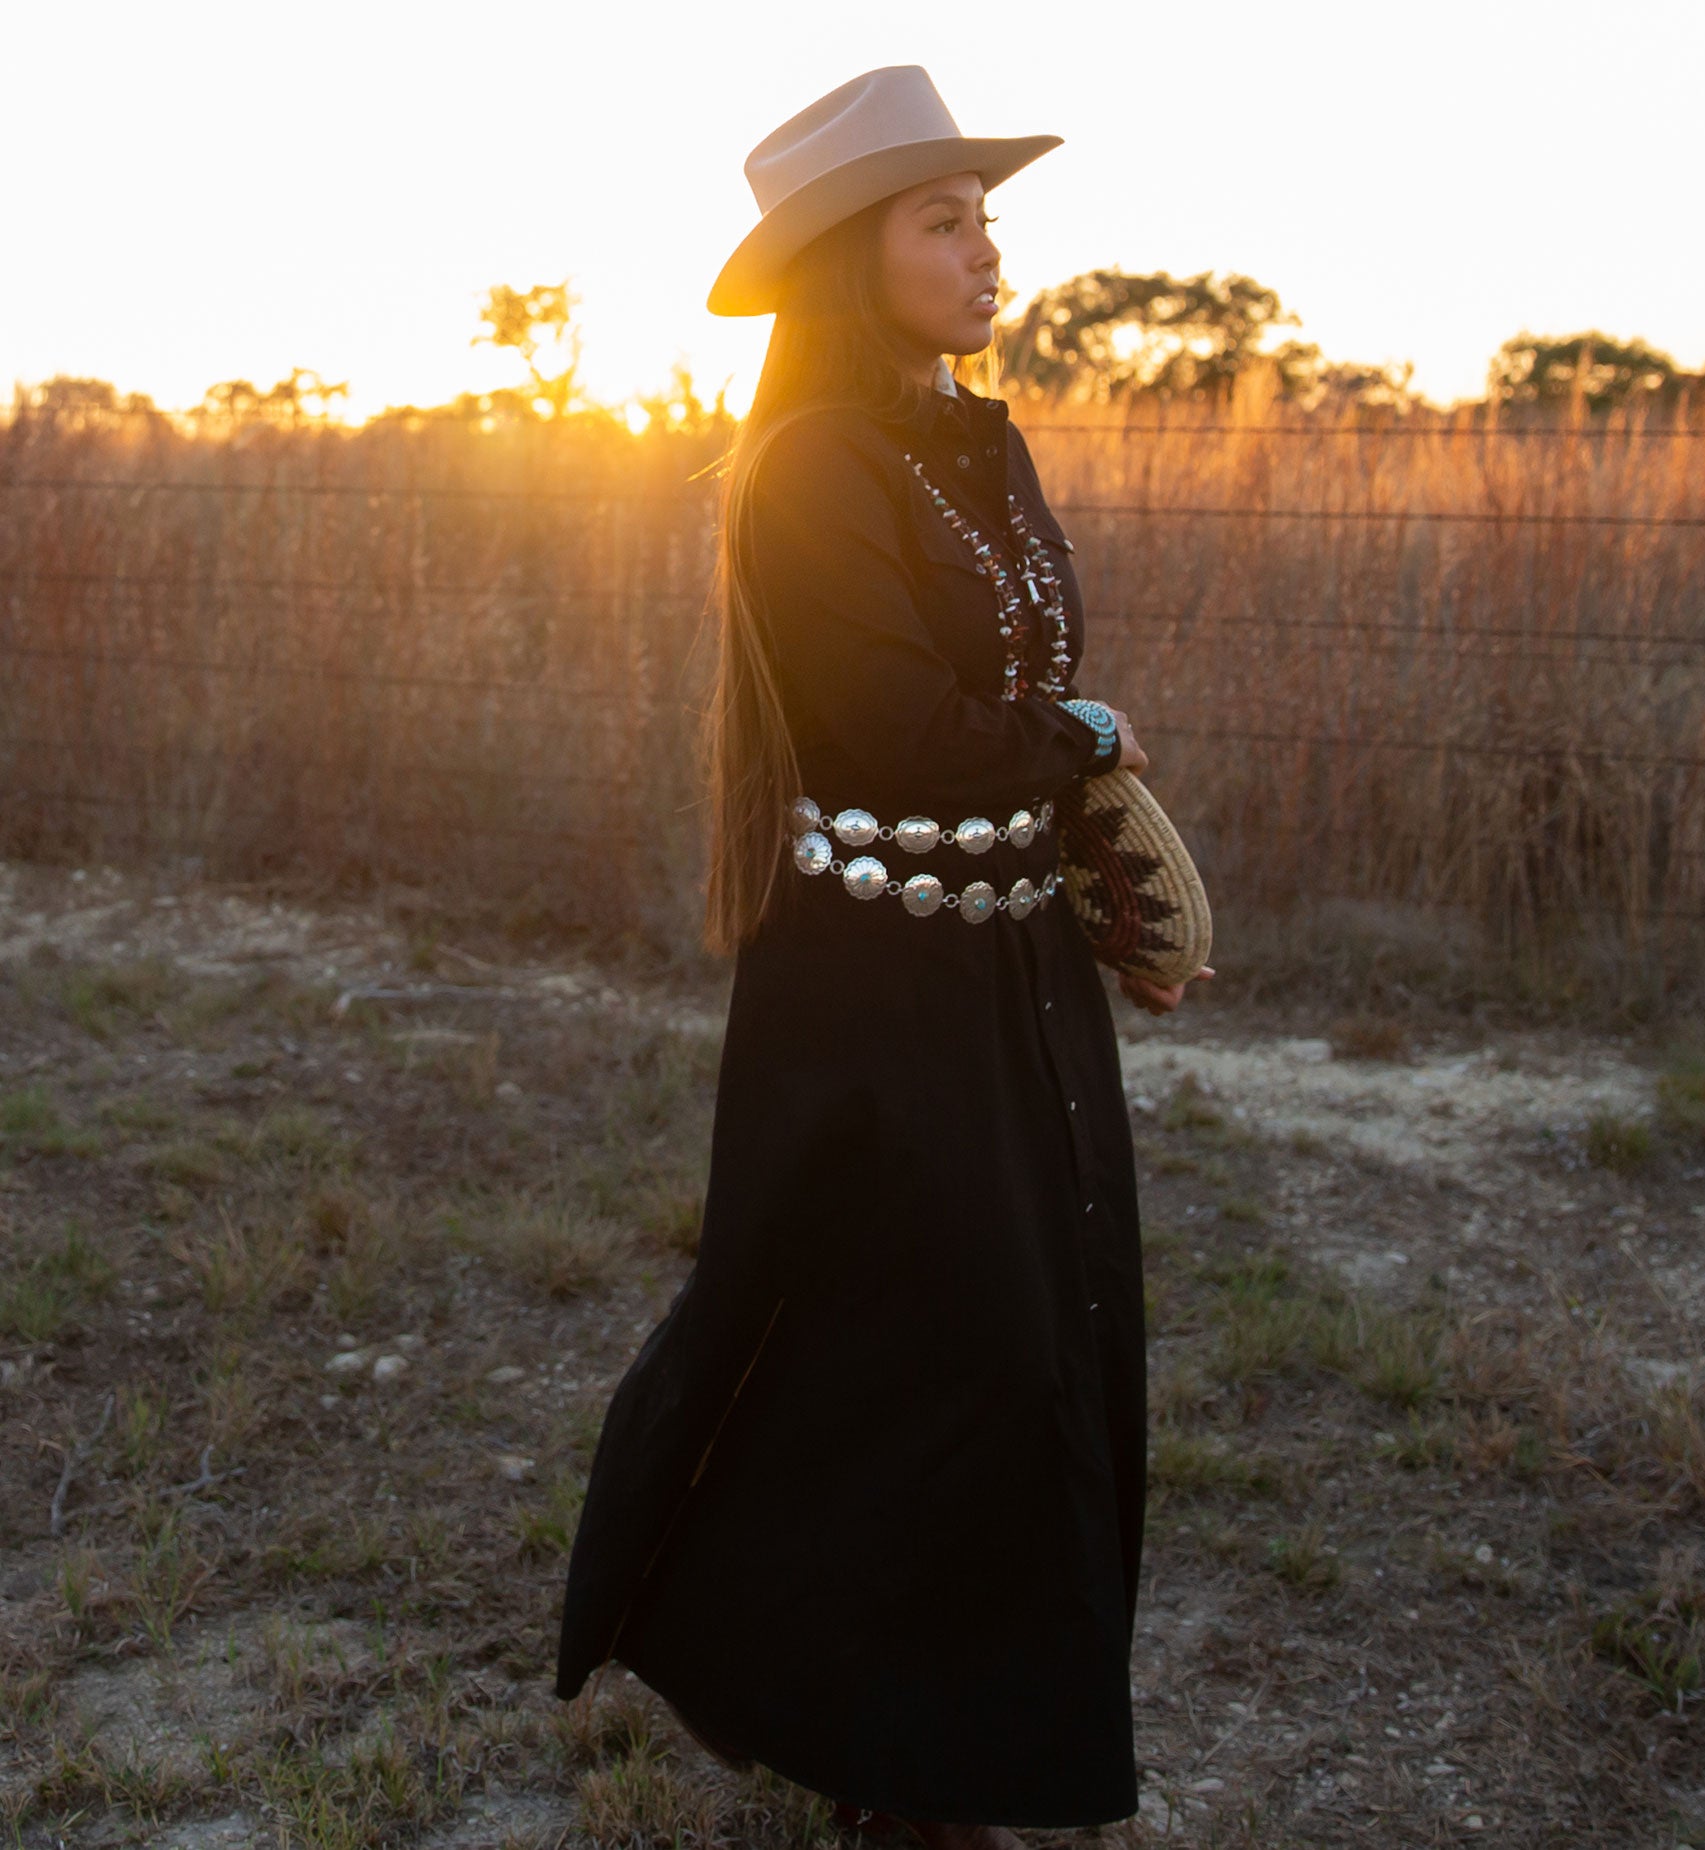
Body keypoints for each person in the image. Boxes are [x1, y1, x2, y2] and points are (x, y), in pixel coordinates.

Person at [554, 65, 1213, 1850]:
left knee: (1042, 1342)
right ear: (859, 256)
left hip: (1014, 981)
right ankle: (886, 1754)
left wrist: (1100, 890)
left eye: (986, 214)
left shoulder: (979, 440)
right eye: (947, 218)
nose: (988, 245)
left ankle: (938, 1761)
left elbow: (1007, 703)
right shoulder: (806, 470)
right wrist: (1087, 736)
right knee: (921, 1358)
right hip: (867, 999)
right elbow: (913, 732)